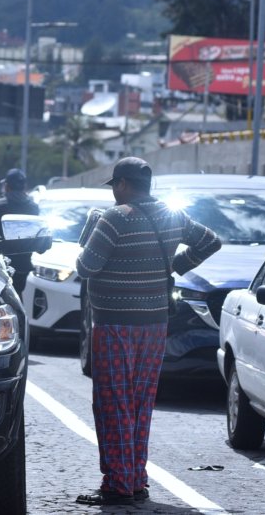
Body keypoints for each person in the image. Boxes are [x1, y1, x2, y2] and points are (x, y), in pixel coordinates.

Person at [73, 157, 221, 506]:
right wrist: (174, 266)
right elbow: (211, 241)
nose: (113, 194)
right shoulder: (171, 215)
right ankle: (135, 478)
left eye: (115, 186)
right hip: (154, 324)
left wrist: (91, 229)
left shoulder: (113, 219)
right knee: (139, 402)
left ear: (123, 184)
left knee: (113, 402)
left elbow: (86, 267)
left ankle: (119, 485)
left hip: (114, 325)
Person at [0, 168, 40, 293]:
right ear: (24, 186)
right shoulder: (33, 207)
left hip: (2, 263)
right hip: (24, 264)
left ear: (7, 186)